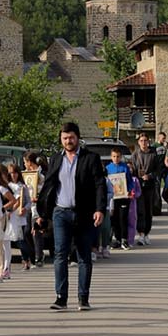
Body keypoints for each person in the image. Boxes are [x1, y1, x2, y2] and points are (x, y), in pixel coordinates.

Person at [35, 122, 108, 311]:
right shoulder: (56, 159)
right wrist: (42, 213)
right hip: (61, 213)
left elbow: (100, 184)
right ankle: (61, 297)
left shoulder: (90, 158)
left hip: (83, 213)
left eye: (71, 138)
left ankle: (83, 298)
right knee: (60, 254)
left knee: (84, 255)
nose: (68, 141)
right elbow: (49, 185)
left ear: (78, 138)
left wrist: (100, 209)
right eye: (65, 138)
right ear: (61, 139)